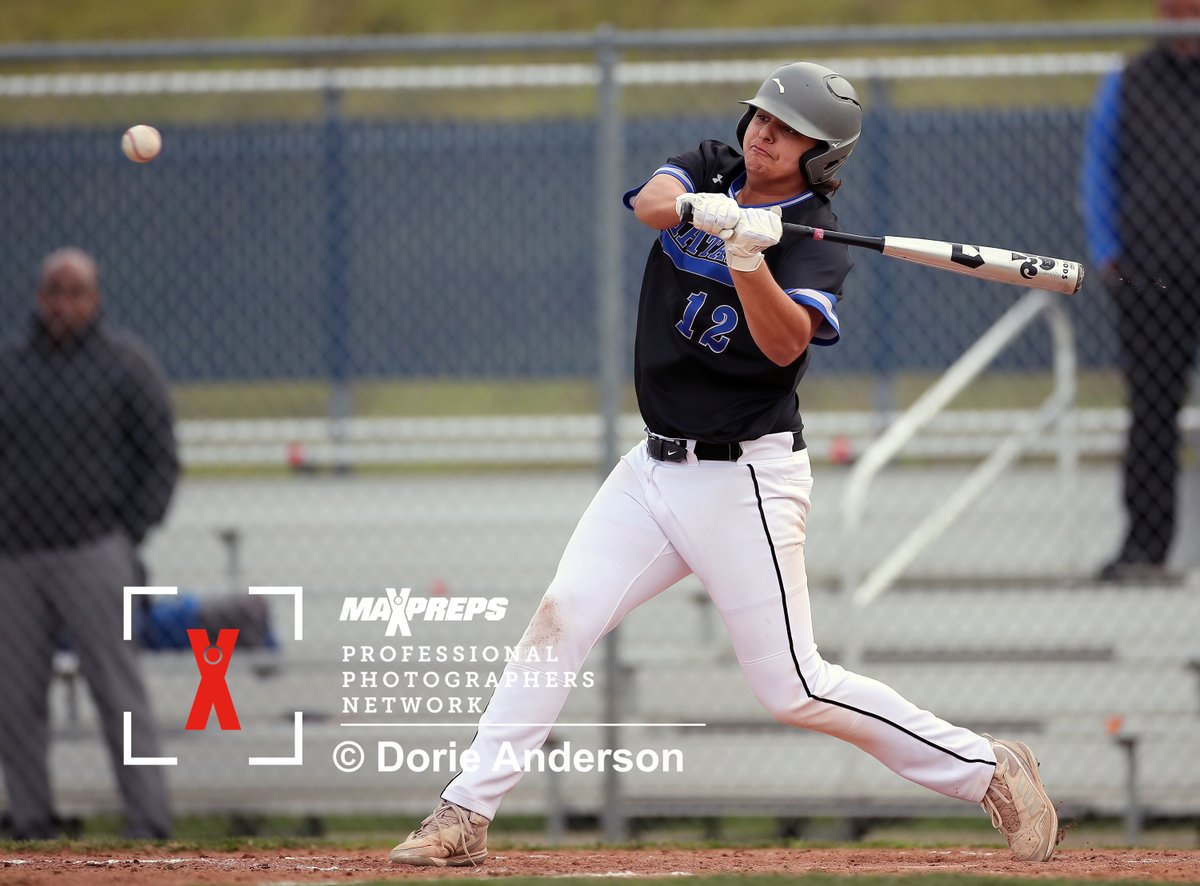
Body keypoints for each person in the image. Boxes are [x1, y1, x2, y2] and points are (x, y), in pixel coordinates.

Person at [388, 63, 1060, 866]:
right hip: (651, 468)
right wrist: (702, 210)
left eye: (787, 129)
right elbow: (649, 204)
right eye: (761, 117)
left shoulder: (817, 244)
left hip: (744, 479)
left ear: (820, 156)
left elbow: (783, 346)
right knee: (559, 621)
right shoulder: (713, 166)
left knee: (794, 687)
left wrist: (748, 256)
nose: (763, 133)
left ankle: (989, 768)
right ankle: (465, 812)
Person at [0, 248, 177, 839]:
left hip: (95, 550)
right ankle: (31, 819)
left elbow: (160, 458)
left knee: (118, 691)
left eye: (75, 292)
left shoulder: (125, 366)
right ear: (38, 297)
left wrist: (127, 535)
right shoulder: (11, 367)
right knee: (14, 697)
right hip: (15, 556)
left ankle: (148, 819)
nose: (63, 303)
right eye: (53, 291)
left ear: (94, 299)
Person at [1081, 0, 1200, 582]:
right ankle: (1145, 550)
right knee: (1152, 412)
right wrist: (1110, 256)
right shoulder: (1128, 83)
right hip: (1151, 279)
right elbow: (1098, 172)